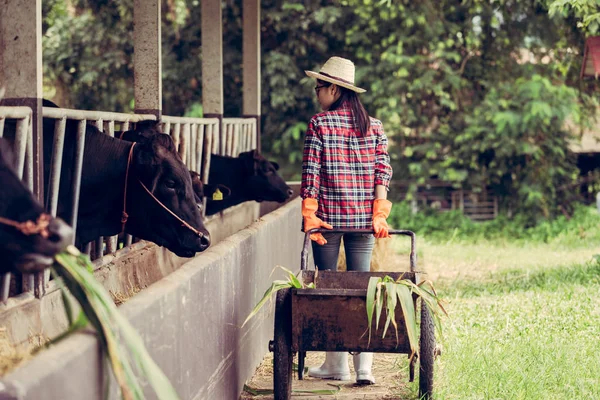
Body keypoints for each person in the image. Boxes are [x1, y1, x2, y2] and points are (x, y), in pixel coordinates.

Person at [301, 56, 393, 385]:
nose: (316, 93)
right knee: (361, 288)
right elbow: (383, 171)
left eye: (319, 87)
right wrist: (378, 211)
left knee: (328, 286)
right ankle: (364, 367)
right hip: (365, 222)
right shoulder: (375, 127)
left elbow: (310, 177)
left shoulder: (319, 124)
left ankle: (336, 365)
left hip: (328, 221)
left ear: (334, 89)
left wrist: (310, 214)